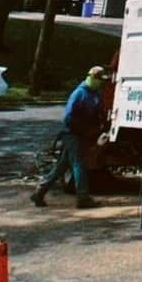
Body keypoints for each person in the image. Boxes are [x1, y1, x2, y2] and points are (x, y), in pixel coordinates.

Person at [31, 65, 108, 210]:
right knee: (79, 165)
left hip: (81, 135)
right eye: (99, 79)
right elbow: (68, 117)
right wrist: (81, 130)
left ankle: (39, 192)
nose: (101, 83)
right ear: (91, 77)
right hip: (73, 135)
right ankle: (83, 198)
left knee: (61, 167)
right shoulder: (79, 93)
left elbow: (98, 115)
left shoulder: (95, 94)